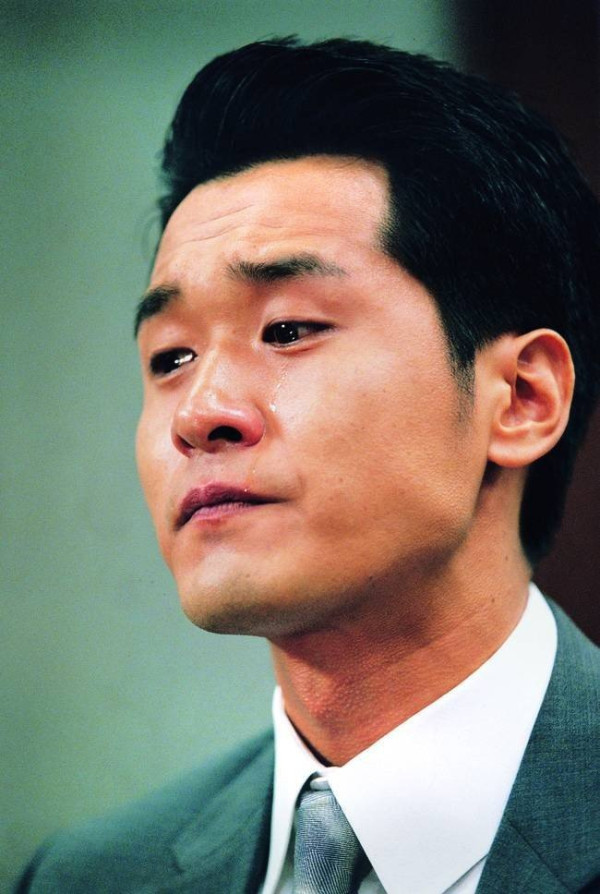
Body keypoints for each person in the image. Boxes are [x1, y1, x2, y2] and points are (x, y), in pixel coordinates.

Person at [16, 36, 600, 894]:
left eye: (287, 329)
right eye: (171, 357)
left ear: (520, 397)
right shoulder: (85, 876)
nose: (199, 413)